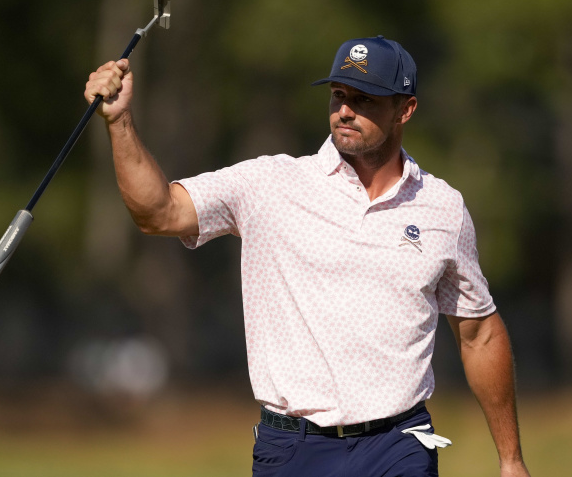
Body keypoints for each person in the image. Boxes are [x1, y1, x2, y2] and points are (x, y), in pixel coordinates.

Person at [84, 35, 530, 477]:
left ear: (405, 109)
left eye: (366, 99)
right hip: (293, 449)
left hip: (399, 445)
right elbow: (159, 212)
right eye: (339, 95)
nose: (345, 110)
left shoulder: (442, 207)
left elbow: (479, 334)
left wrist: (510, 460)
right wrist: (120, 121)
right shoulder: (269, 184)